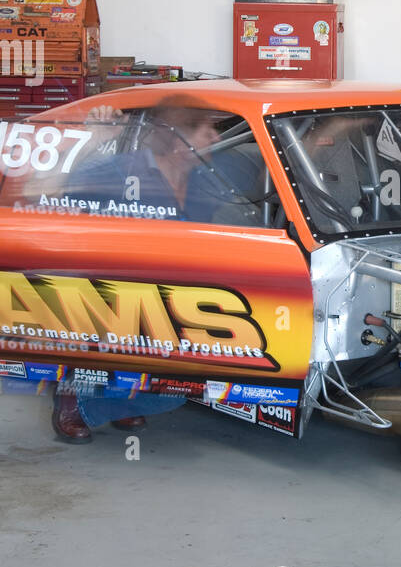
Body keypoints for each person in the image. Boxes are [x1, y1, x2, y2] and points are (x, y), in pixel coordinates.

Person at [49, 98, 262, 443]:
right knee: (179, 391)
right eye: (204, 130)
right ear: (178, 142)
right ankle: (78, 402)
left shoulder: (204, 178)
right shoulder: (122, 171)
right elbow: (52, 196)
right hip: (115, 303)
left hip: (174, 301)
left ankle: (122, 396)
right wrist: (94, 141)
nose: (214, 138)